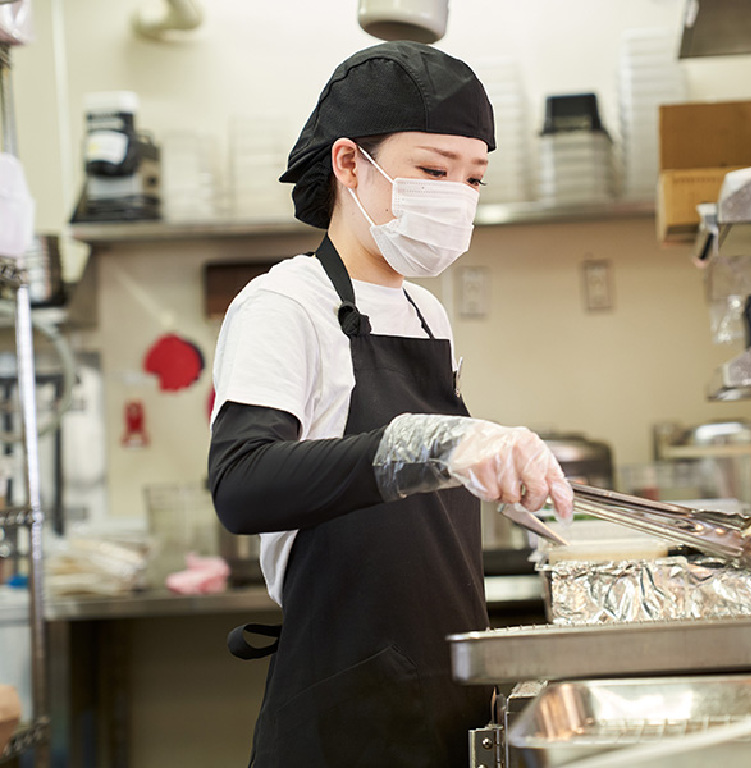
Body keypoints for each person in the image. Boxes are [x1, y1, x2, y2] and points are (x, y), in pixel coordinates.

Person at [206, 41, 574, 767]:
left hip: (443, 691)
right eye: (433, 171)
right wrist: (427, 446)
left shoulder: (425, 312)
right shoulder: (285, 304)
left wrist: (494, 468)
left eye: (474, 178)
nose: (457, 196)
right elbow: (242, 484)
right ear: (349, 164)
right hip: (348, 709)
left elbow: (422, 496)